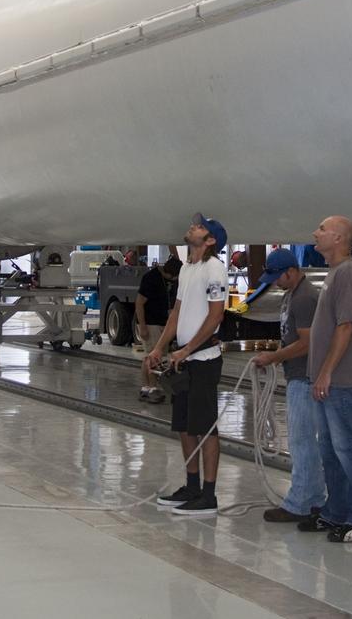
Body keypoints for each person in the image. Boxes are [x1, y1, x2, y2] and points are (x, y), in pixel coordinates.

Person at [144, 214, 228, 516]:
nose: (193, 226)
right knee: (184, 426)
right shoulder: (187, 269)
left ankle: (208, 495)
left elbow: (216, 315)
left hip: (203, 360)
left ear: (210, 240)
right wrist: (159, 347)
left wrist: (188, 349)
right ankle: (191, 485)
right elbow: (177, 313)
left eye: (201, 227)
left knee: (204, 428)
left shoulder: (214, 269)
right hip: (183, 359)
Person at [302, 216, 352, 543]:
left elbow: (346, 326)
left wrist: (327, 371)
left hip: (341, 380)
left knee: (351, 448)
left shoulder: (348, 273)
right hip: (328, 380)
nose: (315, 233)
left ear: (337, 237)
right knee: (330, 449)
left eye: (321, 229)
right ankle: (336, 511)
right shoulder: (336, 272)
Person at [248, 248, 324, 523]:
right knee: (304, 443)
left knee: (301, 442)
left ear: (291, 272)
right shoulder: (292, 295)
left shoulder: (304, 298)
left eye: (277, 277)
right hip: (297, 374)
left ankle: (300, 503)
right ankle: (314, 498)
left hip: (304, 377)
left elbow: (307, 342)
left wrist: (275, 357)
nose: (275, 283)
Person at [136, 259, 172, 404]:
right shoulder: (151, 278)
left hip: (161, 322)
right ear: (166, 272)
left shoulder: (167, 280)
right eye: (172, 277)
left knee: (154, 356)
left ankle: (146, 388)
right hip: (150, 323)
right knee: (153, 356)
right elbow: (139, 303)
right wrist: (143, 326)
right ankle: (152, 388)